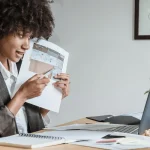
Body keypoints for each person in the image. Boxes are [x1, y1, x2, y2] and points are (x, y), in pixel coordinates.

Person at [0, 0, 70, 137]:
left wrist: (53, 98)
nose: (26, 45)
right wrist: (22, 95)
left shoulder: (20, 67)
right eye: (21, 36)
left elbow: (24, 126)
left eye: (30, 37)